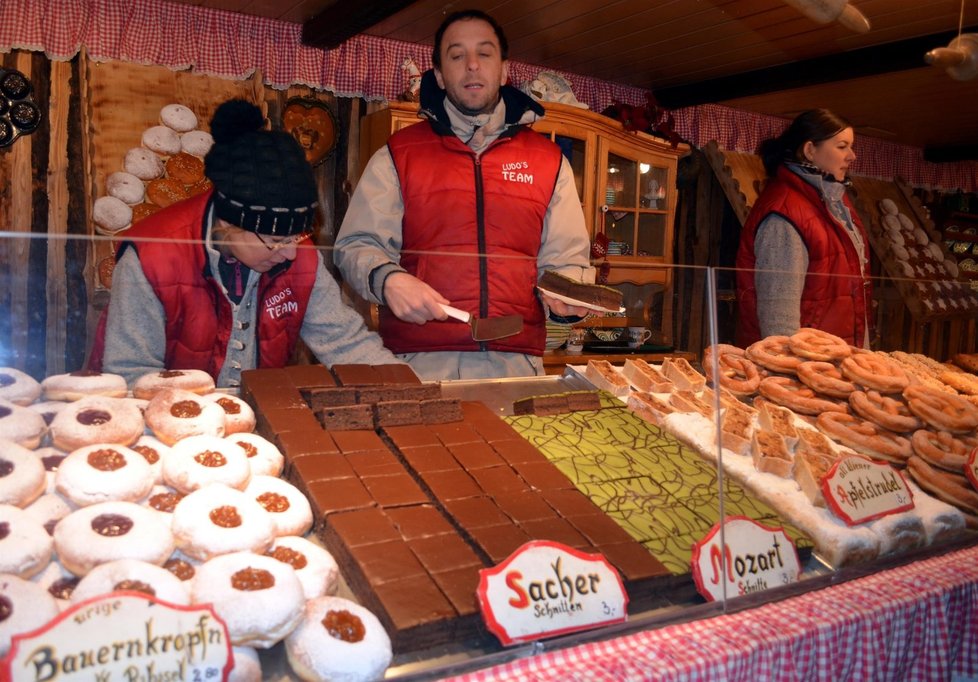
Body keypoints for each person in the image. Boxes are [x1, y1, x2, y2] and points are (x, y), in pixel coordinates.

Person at [334, 9, 594, 381]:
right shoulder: (398, 154)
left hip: (516, 364)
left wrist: (569, 298)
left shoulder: (549, 161)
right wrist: (389, 280)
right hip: (419, 360)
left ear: (504, 70)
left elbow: (566, 260)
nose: (472, 65)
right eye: (456, 56)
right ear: (439, 76)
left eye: (484, 53)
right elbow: (357, 245)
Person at [93, 99, 399, 388]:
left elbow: (345, 341)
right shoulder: (151, 255)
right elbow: (131, 376)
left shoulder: (297, 255)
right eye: (276, 240)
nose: (291, 252)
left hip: (250, 423)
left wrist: (407, 388)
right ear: (228, 223)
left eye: (298, 237)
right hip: (166, 426)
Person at [735, 108, 872, 348]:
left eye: (851, 147)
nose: (852, 156)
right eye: (842, 146)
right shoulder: (785, 213)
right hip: (805, 368)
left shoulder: (833, 203)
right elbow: (779, 321)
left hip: (833, 362)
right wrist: (792, 374)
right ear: (810, 150)